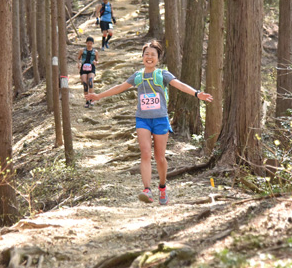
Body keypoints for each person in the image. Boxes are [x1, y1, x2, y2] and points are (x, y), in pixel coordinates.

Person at [85, 40, 213, 205]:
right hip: (142, 120)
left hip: (160, 120)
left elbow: (179, 85)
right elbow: (119, 88)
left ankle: (162, 187)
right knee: (145, 153)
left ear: (158, 58)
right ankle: (147, 190)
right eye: (146, 54)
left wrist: (197, 94)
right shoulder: (137, 76)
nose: (149, 57)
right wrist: (98, 96)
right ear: (142, 57)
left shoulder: (162, 74)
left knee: (160, 157)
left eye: (153, 55)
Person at [77, 36, 99, 108]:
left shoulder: (95, 52)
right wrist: (79, 63)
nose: (89, 44)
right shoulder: (82, 50)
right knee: (85, 83)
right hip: (83, 68)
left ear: (92, 43)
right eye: (88, 43)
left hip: (91, 67)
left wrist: (96, 62)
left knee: (90, 81)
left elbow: (97, 60)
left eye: (91, 43)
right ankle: (87, 100)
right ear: (86, 43)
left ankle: (92, 98)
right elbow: (78, 58)